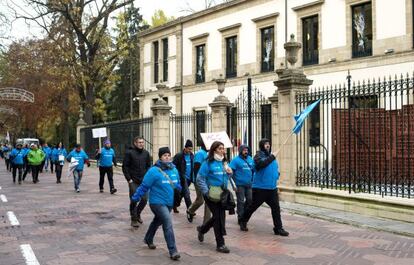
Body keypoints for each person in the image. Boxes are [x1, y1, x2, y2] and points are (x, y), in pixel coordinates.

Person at [131, 147, 181, 261]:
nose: (167, 157)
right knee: (167, 223)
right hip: (156, 203)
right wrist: (136, 197)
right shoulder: (153, 171)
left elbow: (177, 184)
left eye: (169, 155)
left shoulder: (174, 169)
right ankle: (173, 251)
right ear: (160, 157)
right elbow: (144, 186)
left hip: (169, 202)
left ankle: (148, 239)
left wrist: (181, 189)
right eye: (164, 155)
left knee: (157, 221)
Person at [239, 138, 289, 237]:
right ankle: (243, 220)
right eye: (266, 144)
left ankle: (278, 228)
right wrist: (272, 157)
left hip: (272, 188)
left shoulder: (271, 157)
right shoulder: (258, 156)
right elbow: (261, 164)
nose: (268, 145)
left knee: (276, 208)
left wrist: (276, 174)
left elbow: (273, 168)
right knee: (253, 207)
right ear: (262, 145)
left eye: (269, 144)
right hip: (260, 188)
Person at [196, 141, 233, 254]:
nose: (223, 150)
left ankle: (202, 229)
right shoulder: (207, 163)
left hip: (222, 194)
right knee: (218, 217)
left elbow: (228, 176)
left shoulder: (224, 162)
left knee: (218, 217)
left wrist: (230, 172)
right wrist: (206, 192)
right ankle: (220, 244)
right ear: (214, 150)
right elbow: (199, 179)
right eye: (220, 148)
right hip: (211, 194)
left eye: (223, 148)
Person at [122, 136, 151, 227]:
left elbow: (148, 166)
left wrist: (147, 177)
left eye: (142, 142)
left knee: (144, 199)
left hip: (143, 181)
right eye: (139, 142)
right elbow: (125, 167)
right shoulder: (129, 153)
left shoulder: (146, 153)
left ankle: (137, 214)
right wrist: (129, 179)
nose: (141, 144)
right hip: (133, 181)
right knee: (134, 200)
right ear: (135, 143)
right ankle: (133, 219)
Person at [187, 140, 211, 223]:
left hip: (207, 180)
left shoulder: (207, 154)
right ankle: (190, 210)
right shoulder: (200, 153)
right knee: (200, 200)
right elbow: (196, 166)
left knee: (208, 199)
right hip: (200, 181)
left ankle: (207, 220)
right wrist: (198, 180)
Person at [229, 145, 254, 224]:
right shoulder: (235, 160)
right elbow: (230, 173)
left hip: (249, 185)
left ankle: (244, 213)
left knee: (250, 200)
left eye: (247, 150)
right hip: (239, 185)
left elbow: (254, 170)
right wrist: (233, 185)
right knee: (240, 201)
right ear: (240, 151)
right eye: (244, 150)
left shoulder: (250, 159)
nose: (246, 151)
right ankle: (240, 217)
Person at [172, 139, 194, 216]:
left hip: (189, 179)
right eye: (189, 149)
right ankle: (191, 210)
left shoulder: (192, 156)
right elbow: (173, 166)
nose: (190, 150)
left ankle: (174, 205)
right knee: (187, 194)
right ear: (185, 148)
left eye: (191, 149)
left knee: (181, 194)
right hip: (181, 178)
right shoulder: (179, 156)